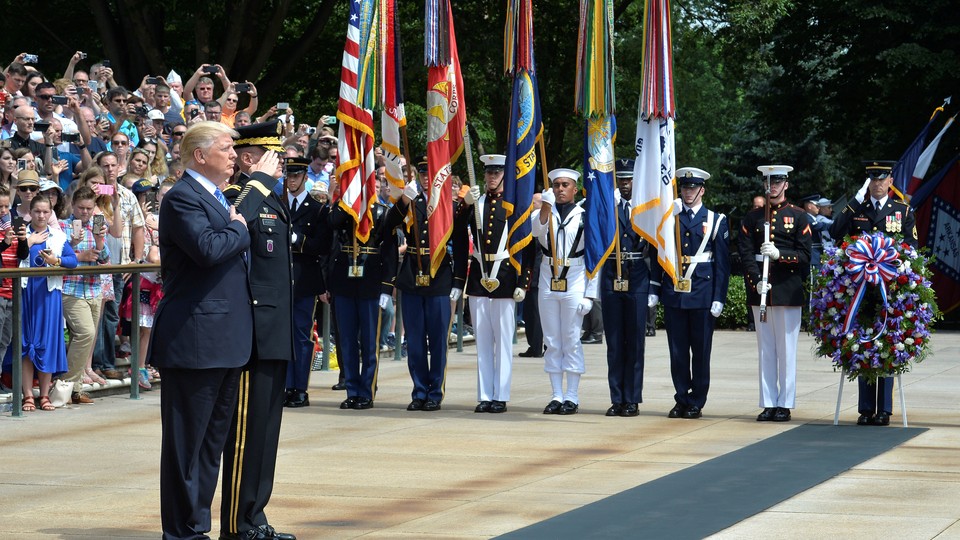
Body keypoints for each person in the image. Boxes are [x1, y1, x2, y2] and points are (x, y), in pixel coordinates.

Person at [147, 121, 254, 540]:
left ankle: (197, 526)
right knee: (186, 447)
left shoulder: (215, 196)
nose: (233, 155)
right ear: (199, 155)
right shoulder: (182, 198)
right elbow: (208, 249)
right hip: (194, 339)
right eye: (227, 148)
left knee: (211, 445)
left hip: (225, 339)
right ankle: (181, 532)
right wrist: (239, 229)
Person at [219, 120, 297, 540]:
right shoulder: (240, 195)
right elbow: (236, 222)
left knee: (265, 435)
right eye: (273, 156)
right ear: (249, 158)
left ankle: (256, 518)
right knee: (245, 435)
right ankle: (236, 524)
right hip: (252, 333)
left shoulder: (273, 198)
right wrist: (260, 181)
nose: (281, 163)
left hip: (275, 331)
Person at [829, 160, 917, 426]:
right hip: (861, 289)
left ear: (890, 181)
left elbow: (912, 245)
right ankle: (866, 408)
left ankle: (884, 409)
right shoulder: (858, 209)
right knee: (864, 343)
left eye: (881, 179)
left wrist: (903, 262)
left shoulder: (901, 210)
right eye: (872, 180)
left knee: (887, 344)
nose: (877, 184)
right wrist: (854, 201)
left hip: (890, 289)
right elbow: (835, 231)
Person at [651, 167, 730, 419]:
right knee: (677, 351)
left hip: (703, 294)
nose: (688, 192)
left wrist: (719, 297)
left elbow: (722, 264)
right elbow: (658, 256)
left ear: (702, 190)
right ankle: (681, 397)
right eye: (685, 188)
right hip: (675, 293)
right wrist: (655, 287)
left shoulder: (716, 220)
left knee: (701, 350)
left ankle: (697, 399)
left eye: (693, 188)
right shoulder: (670, 217)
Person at [388, 156, 467, 412]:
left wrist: (458, 280)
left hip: (440, 278)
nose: (425, 178)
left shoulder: (448, 205)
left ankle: (435, 391)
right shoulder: (410, 202)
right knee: (415, 341)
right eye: (422, 174)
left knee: (437, 341)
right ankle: (419, 391)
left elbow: (461, 243)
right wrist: (403, 203)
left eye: (430, 174)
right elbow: (388, 227)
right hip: (412, 276)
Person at [738, 165, 811, 422]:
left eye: (778, 181)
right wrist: (755, 282)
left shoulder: (799, 216)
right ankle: (768, 402)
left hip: (786, 290)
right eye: (769, 181)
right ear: (764, 184)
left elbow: (804, 257)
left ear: (786, 184)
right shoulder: (753, 218)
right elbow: (746, 255)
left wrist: (782, 255)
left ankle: (785, 403)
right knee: (766, 350)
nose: (774, 186)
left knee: (787, 350)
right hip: (762, 291)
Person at [327, 161, 397, 411]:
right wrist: (336, 199)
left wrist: (387, 288)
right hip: (344, 281)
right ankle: (352, 389)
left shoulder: (381, 212)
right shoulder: (345, 210)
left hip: (371, 281)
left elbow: (389, 253)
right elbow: (330, 225)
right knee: (346, 340)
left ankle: (367, 390)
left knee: (369, 341)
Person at [532, 168, 597, 415]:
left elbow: (595, 256)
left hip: (576, 278)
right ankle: (556, 395)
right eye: (557, 185)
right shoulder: (542, 213)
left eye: (565, 185)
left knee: (571, 338)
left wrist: (590, 294)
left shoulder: (584, 215)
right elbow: (536, 233)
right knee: (551, 340)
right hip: (549, 279)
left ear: (575, 189)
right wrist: (545, 210)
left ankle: (572, 395)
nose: (560, 189)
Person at [10, 194, 79, 412]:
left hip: (48, 295)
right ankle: (28, 394)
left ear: (51, 213)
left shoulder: (58, 236)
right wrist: (28, 241)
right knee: (26, 343)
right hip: (26, 292)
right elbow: (13, 257)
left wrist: (55, 261)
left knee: (46, 343)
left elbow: (73, 260)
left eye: (45, 212)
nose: (41, 215)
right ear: (30, 212)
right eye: (37, 211)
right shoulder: (22, 232)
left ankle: (44, 395)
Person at [601, 159, 655, 417]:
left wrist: (654, 286)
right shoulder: (608, 206)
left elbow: (655, 248)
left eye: (629, 179)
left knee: (634, 341)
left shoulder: (646, 209)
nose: (625, 184)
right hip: (611, 273)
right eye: (621, 179)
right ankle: (617, 398)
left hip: (637, 275)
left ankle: (632, 398)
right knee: (614, 341)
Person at [283, 156, 330, 408]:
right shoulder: (277, 204)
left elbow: (321, 246)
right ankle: (283, 385)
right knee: (281, 335)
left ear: (304, 177)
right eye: (288, 175)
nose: (291, 180)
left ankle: (299, 387)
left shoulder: (317, 209)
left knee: (301, 336)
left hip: (303, 280)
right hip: (280, 280)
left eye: (296, 175)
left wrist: (296, 239)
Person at [61, 186, 110, 405]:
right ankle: (66, 383)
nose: (85, 212)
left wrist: (100, 243)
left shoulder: (98, 223)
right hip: (71, 288)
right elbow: (58, 256)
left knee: (86, 337)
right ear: (73, 205)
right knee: (85, 333)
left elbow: (105, 257)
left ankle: (75, 389)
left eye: (89, 208)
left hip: (93, 288)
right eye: (81, 208)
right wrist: (81, 254)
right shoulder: (63, 225)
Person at [518, 192, 545, 358]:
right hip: (540, 275)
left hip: (535, 274)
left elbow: (531, 253)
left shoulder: (534, 223)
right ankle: (541, 346)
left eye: (533, 203)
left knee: (534, 313)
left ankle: (536, 346)